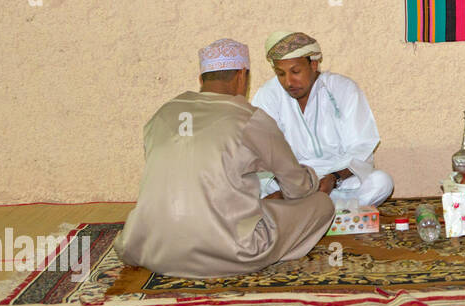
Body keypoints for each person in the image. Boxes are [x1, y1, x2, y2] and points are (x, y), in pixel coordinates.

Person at [115, 39, 334, 278]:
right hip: (231, 251)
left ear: (201, 79)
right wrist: (315, 180)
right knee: (321, 205)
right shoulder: (250, 119)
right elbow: (297, 188)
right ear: (242, 77)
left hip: (147, 247)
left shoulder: (162, 114)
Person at [251, 31, 393, 208]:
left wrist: (335, 178)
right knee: (251, 184)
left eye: (295, 71)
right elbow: (263, 150)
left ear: (313, 65)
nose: (288, 82)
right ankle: (326, 210)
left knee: (381, 182)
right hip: (290, 183)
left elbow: (362, 146)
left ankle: (306, 210)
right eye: (280, 74)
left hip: (335, 181)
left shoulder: (343, 88)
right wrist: (291, 187)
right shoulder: (268, 94)